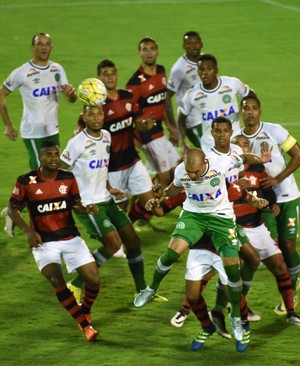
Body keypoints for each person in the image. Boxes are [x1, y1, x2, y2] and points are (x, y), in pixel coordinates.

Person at [133, 144, 270, 344]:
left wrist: (259, 159)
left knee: (233, 272)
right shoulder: (183, 171)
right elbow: (174, 189)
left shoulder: (221, 164)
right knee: (171, 253)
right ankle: (151, 288)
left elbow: (245, 157)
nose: (193, 176)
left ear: (205, 163)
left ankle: (236, 318)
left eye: (196, 172)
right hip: (193, 216)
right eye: (190, 172)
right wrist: (160, 193)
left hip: (220, 218)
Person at [60, 104, 160, 302]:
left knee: (132, 240)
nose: (96, 118)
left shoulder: (106, 136)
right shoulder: (76, 142)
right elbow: (60, 173)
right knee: (113, 244)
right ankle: (76, 284)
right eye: (91, 114)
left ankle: (142, 290)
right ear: (84, 117)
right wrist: (72, 201)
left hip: (106, 199)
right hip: (89, 205)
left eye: (99, 113)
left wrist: (108, 186)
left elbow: (100, 167)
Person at [7, 141, 100, 342]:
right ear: (40, 158)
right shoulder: (26, 181)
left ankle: (85, 310)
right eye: (49, 155)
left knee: (94, 281)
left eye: (56, 155)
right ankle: (85, 326)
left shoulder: (68, 178)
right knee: (56, 280)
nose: (54, 159)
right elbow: (12, 208)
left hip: (71, 238)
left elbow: (76, 205)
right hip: (44, 243)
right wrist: (28, 230)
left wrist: (87, 209)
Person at [0, 32, 77, 238]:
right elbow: (2, 94)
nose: (44, 47)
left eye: (47, 44)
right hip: (33, 134)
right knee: (41, 178)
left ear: (51, 47)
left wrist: (71, 95)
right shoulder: (22, 72)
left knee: (53, 172)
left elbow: (71, 98)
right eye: (39, 44)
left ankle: (12, 210)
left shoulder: (57, 69)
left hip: (53, 130)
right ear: (32, 47)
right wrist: (7, 125)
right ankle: (19, 214)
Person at [238, 95, 300, 315]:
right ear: (240, 111)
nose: (250, 112)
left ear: (260, 111)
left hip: (287, 196)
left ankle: (293, 288)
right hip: (260, 203)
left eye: (254, 108)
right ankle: (238, 302)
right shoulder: (237, 139)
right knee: (264, 251)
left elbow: (297, 154)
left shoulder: (275, 131)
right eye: (245, 108)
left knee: (289, 246)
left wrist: (278, 179)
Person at [74, 59, 155, 224]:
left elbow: (138, 123)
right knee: (120, 210)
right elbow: (81, 134)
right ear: (99, 78)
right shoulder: (95, 107)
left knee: (151, 203)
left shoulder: (127, 97)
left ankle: (129, 233)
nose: (110, 78)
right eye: (105, 74)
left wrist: (145, 125)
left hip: (132, 160)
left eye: (113, 74)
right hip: (111, 168)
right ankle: (120, 242)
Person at [126, 36, 180, 188]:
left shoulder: (161, 72)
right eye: (145, 50)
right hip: (146, 136)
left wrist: (170, 126)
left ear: (157, 52)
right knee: (164, 177)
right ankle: (145, 207)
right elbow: (128, 113)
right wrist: (131, 139)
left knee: (178, 170)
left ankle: (147, 197)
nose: (149, 53)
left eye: (152, 49)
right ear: (139, 53)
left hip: (159, 132)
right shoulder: (135, 83)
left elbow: (160, 103)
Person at [177, 53, 255, 153]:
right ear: (198, 71)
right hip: (210, 147)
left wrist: (245, 109)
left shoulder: (231, 84)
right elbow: (181, 118)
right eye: (201, 69)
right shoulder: (193, 94)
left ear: (216, 70)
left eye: (209, 69)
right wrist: (183, 143)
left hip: (234, 143)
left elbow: (250, 94)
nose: (205, 73)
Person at [165, 31, 203, 147]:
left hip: (207, 115)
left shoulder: (205, 62)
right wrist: (172, 126)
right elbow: (167, 96)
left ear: (201, 44)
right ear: (184, 46)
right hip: (192, 121)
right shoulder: (179, 68)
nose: (193, 46)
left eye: (196, 42)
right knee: (208, 151)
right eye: (189, 43)